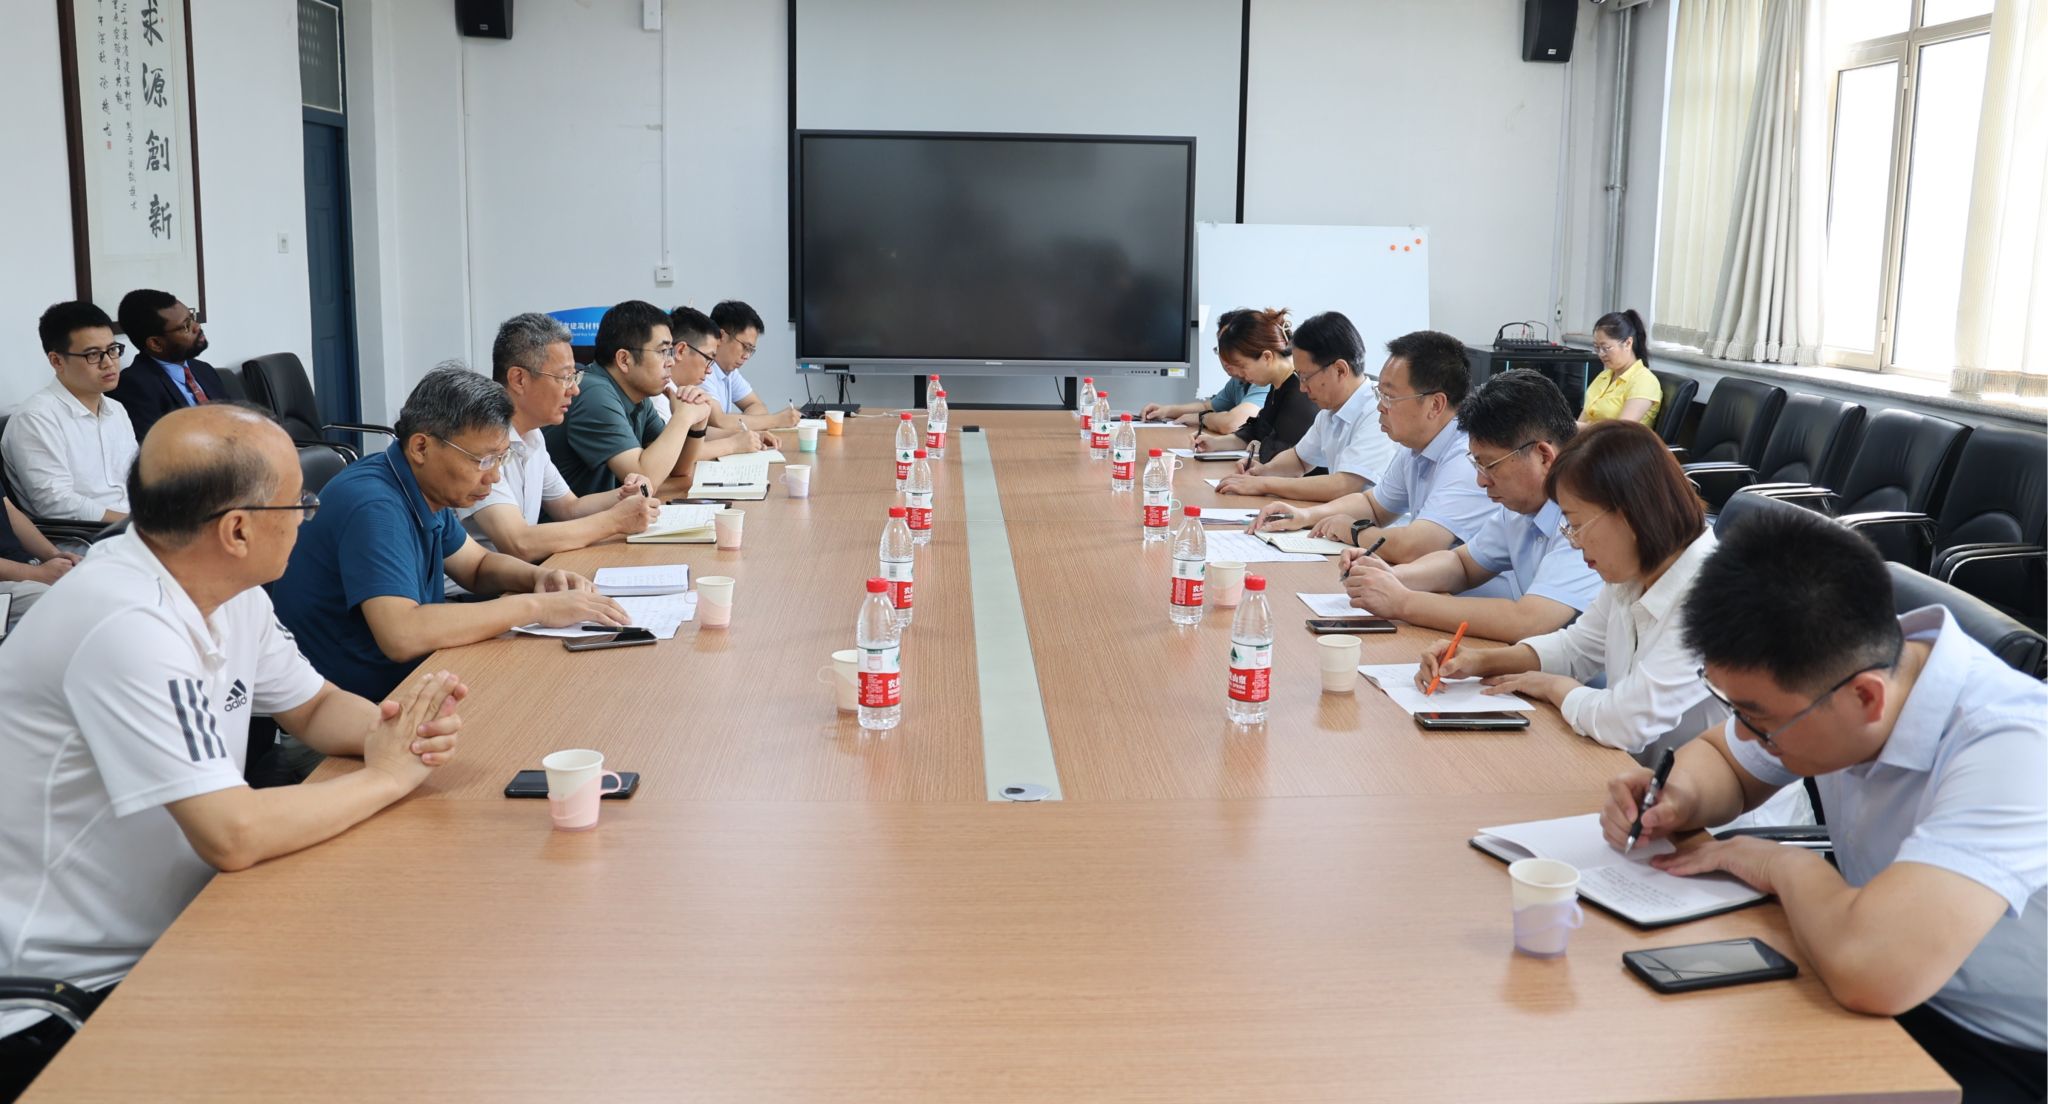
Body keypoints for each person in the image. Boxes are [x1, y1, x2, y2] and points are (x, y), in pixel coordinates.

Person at [0, 405, 464, 1099]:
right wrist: (388, 777)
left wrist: (397, 730)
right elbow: (233, 834)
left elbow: (312, 707)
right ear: (237, 530)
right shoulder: (126, 622)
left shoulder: (225, 589)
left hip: (189, 922)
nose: (308, 516)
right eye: (299, 502)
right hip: (73, 995)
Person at [1598, 507, 2046, 1103]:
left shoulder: (2013, 747)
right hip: (1876, 976)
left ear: (1865, 699)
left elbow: (1874, 971)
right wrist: (1676, 797)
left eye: (1758, 718)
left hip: (1999, 1045)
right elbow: (1725, 761)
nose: (1747, 733)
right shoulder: (1837, 667)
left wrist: (1781, 864)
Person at [273, 367, 627, 710]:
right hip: (356, 709)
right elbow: (401, 634)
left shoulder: (422, 484)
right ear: (421, 447)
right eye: (483, 460)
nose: (494, 477)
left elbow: (477, 566)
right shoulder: (375, 505)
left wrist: (539, 578)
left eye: (500, 458)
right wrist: (537, 607)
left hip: (411, 681)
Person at [1414, 421, 1723, 763]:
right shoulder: (1635, 569)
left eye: (1576, 525)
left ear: (1629, 516)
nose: (1574, 542)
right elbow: (1576, 648)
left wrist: (1554, 687)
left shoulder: (1712, 595)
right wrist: (1479, 661)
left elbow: (1625, 722)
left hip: (1694, 793)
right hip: (1632, 772)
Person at [1339, 369, 1600, 642]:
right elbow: (1462, 564)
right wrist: (1391, 576)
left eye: (1490, 465)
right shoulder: (1522, 507)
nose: (1481, 481)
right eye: (1477, 465)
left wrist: (1403, 602)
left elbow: (1529, 621)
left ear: (1543, 456)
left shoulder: (1588, 512)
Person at [1248, 329, 1495, 563]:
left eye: (1389, 397)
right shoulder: (1415, 447)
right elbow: (1374, 506)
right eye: (1380, 394)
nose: (1380, 407)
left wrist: (1355, 531)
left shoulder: (1467, 458)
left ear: (1435, 405)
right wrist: (1304, 516)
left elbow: (1415, 547)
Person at [455, 313, 662, 565]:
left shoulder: (533, 435)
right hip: (481, 585)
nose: (574, 389)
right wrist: (615, 521)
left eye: (575, 376)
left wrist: (625, 495)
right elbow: (518, 543)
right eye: (565, 378)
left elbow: (569, 508)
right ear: (519, 379)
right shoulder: (480, 441)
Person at [1213, 311, 1394, 502]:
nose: (1301, 387)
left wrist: (1264, 484)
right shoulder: (1329, 412)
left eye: (1306, 377)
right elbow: (1299, 460)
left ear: (1340, 370)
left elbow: (1345, 486)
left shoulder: (1377, 410)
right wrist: (1263, 471)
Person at [543, 300, 715, 497]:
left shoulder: (639, 397)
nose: (671, 361)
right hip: (570, 517)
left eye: (671, 352)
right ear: (624, 359)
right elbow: (646, 479)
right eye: (663, 351)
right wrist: (683, 417)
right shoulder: (593, 393)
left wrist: (698, 425)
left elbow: (678, 470)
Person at [2, 301, 136, 523]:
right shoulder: (36, 418)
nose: (109, 363)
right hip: (87, 535)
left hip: (133, 524)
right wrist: (132, 524)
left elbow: (135, 478)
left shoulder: (116, 409)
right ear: (57, 361)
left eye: (112, 350)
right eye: (93, 355)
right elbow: (56, 503)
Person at [1186, 308, 1319, 478]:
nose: (1239, 375)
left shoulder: (1300, 392)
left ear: (1267, 357)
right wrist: (1216, 443)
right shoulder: (1277, 385)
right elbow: (1257, 431)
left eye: (1243, 366)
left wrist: (1260, 445)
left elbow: (1280, 455)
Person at [108, 289, 226, 442]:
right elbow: (157, 448)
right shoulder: (132, 387)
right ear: (156, 343)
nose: (197, 327)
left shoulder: (203, 369)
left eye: (192, 317)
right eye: (185, 326)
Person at [1139, 309, 1271, 433]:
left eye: (1231, 349)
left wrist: (1203, 418)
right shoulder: (1237, 382)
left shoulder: (1263, 380)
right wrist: (1167, 410)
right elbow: (1207, 407)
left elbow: (1232, 423)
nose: (1225, 356)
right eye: (1221, 348)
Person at [667, 306, 775, 458]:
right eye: (708, 358)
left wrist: (748, 435)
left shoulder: (678, 388)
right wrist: (734, 444)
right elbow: (674, 455)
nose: (709, 370)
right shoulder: (660, 394)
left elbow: (700, 434)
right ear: (680, 351)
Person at [0, 463, 80, 634]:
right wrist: (35, 574)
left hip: (21, 566)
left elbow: (7, 509)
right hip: (10, 579)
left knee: (100, 586)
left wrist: (55, 556)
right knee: (61, 603)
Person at [705, 300, 800, 430]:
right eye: (745, 347)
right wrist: (776, 420)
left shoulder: (729, 371)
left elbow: (758, 406)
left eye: (751, 350)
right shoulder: (703, 370)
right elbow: (718, 422)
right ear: (722, 336)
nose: (746, 356)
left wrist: (738, 422)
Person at [1578, 308, 1660, 429]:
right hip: (1590, 439)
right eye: (1597, 348)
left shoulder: (1644, 381)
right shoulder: (1604, 376)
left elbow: (1620, 431)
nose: (1601, 354)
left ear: (1628, 343)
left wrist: (1577, 427)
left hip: (1618, 441)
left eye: (1606, 348)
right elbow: (1582, 419)